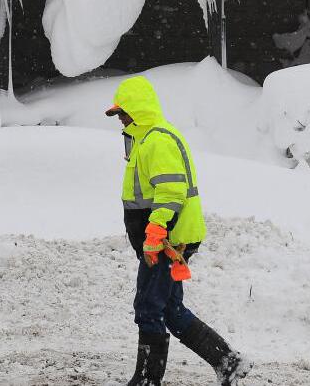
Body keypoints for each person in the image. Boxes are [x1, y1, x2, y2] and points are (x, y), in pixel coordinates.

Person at [106, 76, 249, 386]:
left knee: (148, 306)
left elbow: (171, 192)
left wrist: (155, 234)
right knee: (169, 308)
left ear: (136, 109)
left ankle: (147, 380)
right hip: (169, 238)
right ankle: (228, 362)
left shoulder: (157, 140)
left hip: (168, 240)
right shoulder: (146, 139)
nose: (120, 118)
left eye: (122, 112)